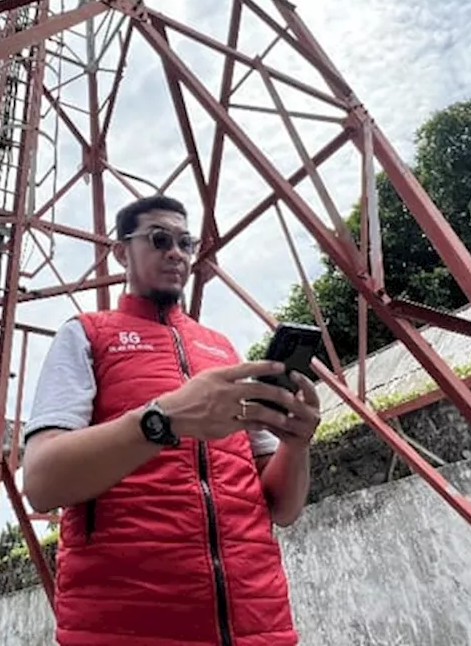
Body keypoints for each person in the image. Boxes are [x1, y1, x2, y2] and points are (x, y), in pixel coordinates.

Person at [22, 194, 321, 646]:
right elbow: (43, 483)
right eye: (159, 239)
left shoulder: (222, 350)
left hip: (259, 627)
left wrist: (296, 445)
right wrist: (162, 420)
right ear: (121, 251)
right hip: (126, 629)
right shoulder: (86, 334)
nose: (176, 253)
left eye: (186, 242)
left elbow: (281, 509)